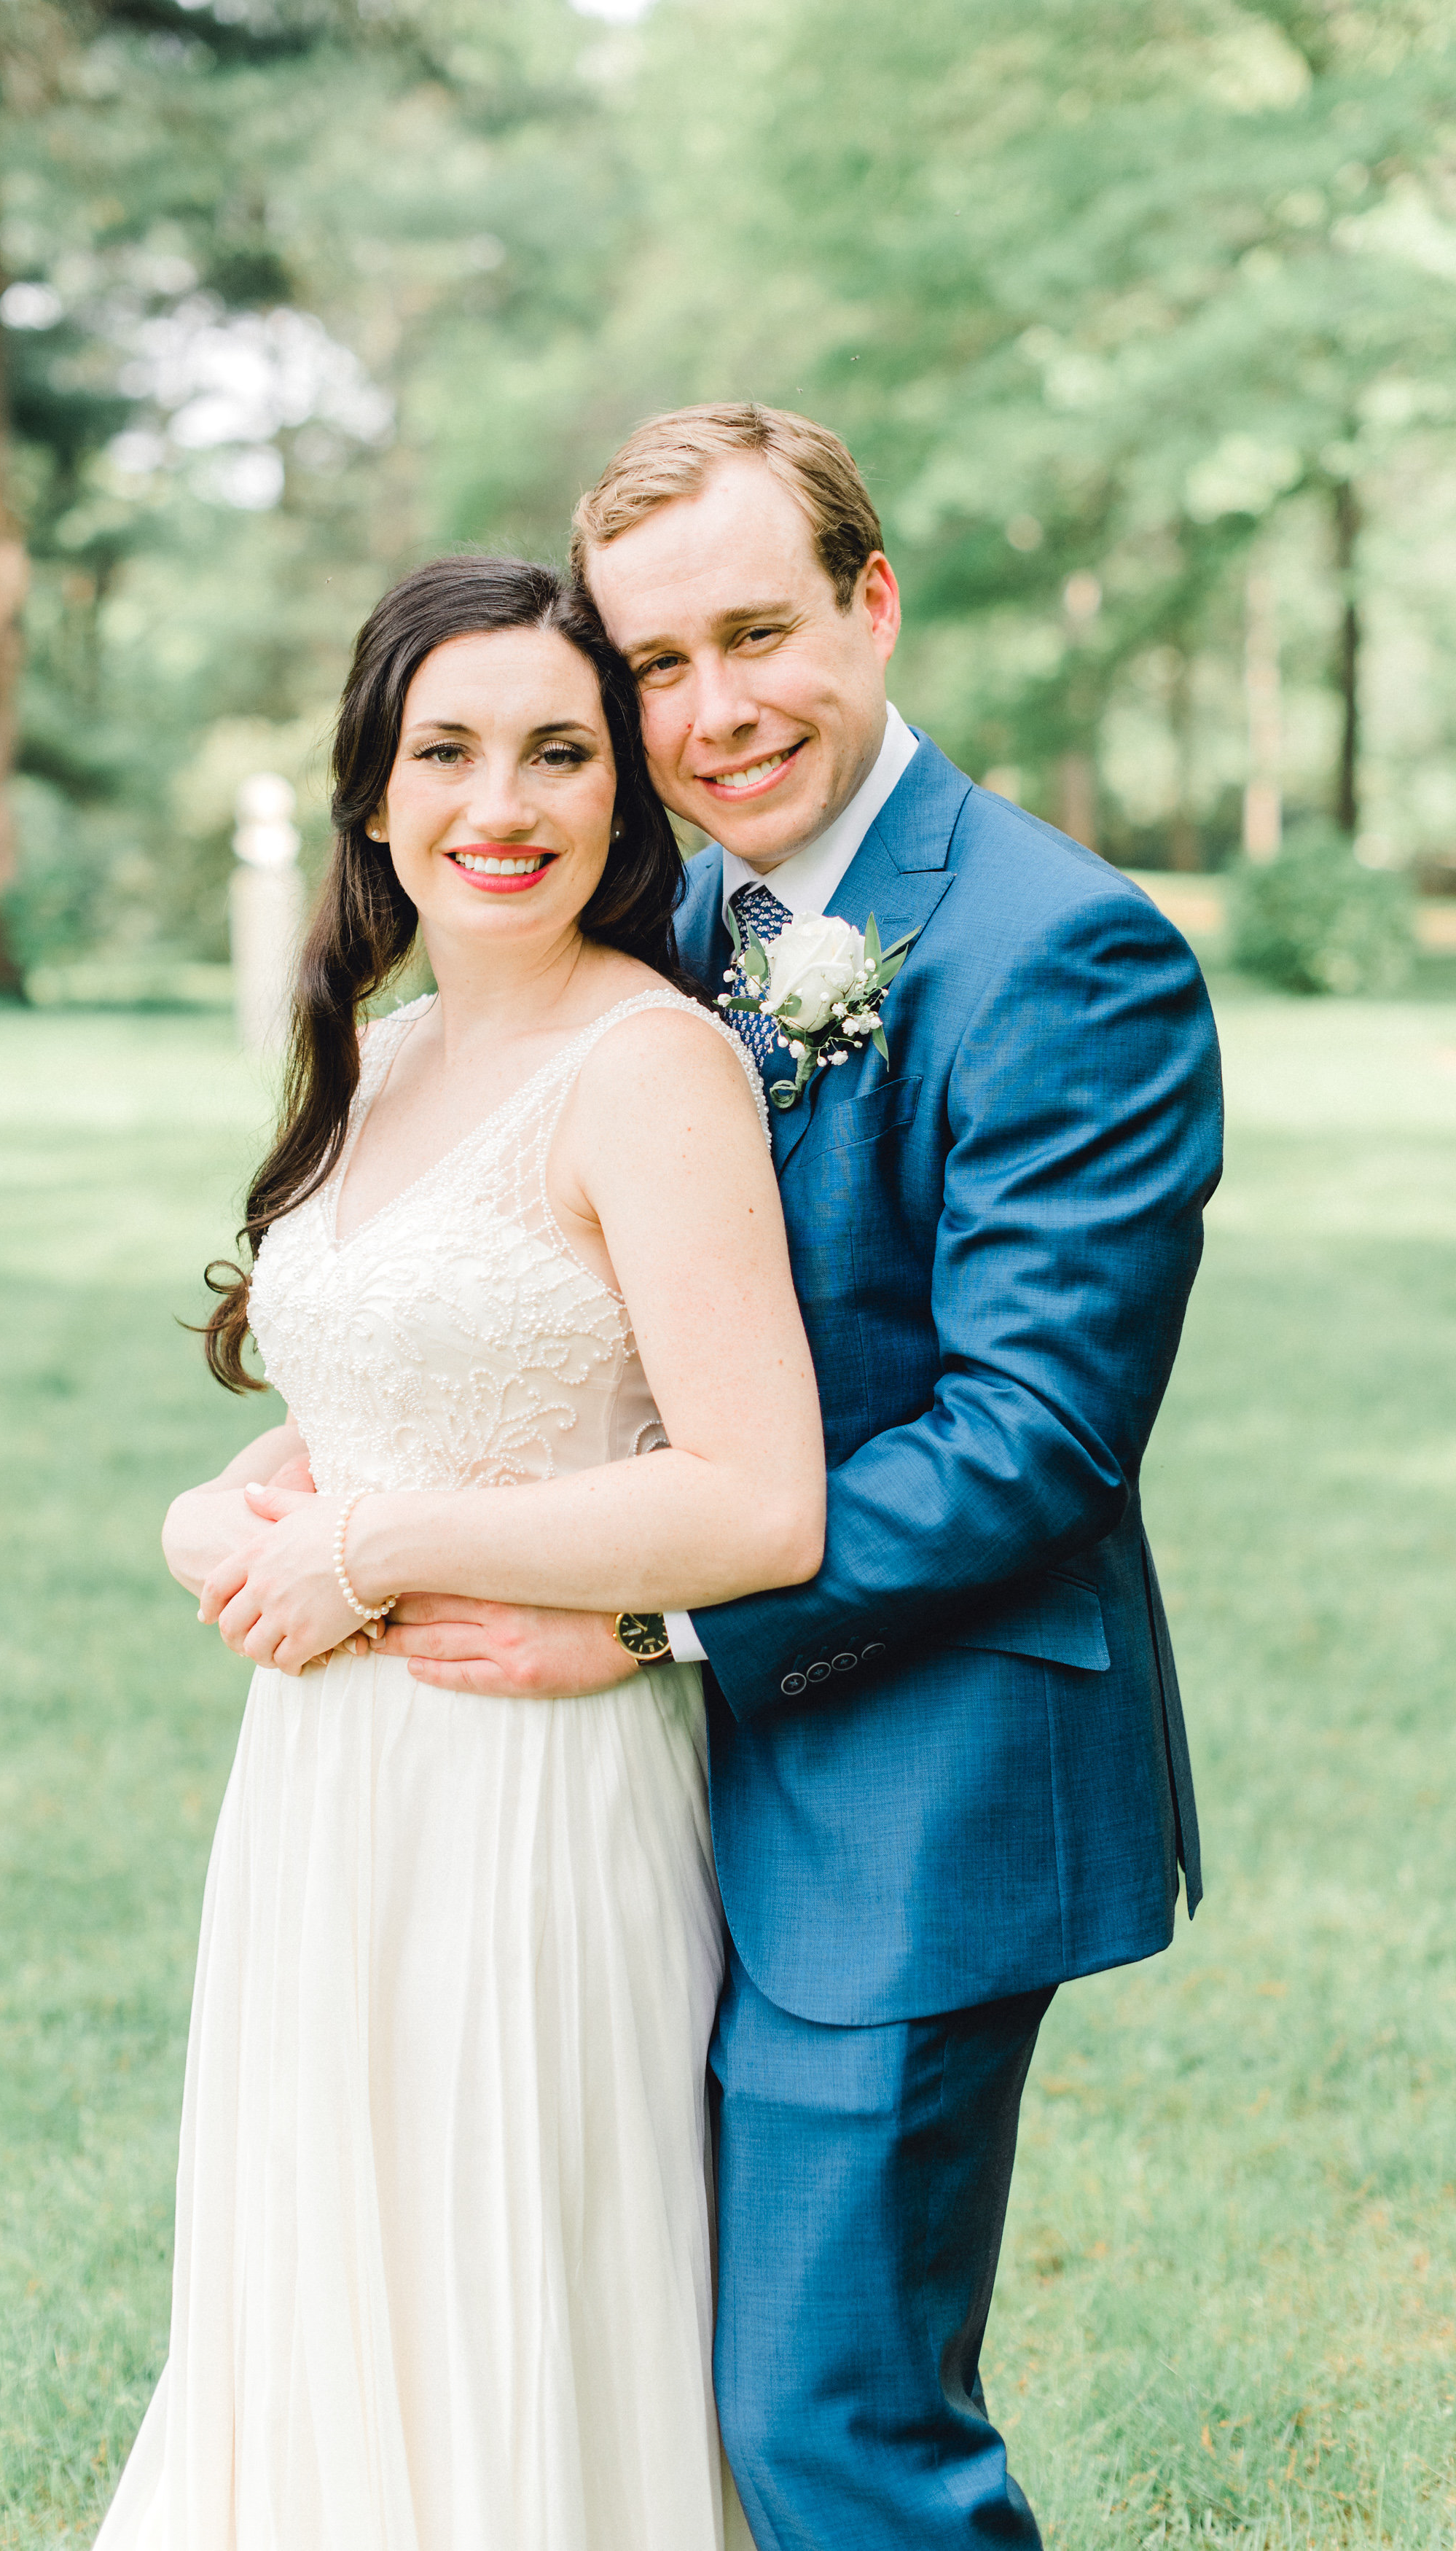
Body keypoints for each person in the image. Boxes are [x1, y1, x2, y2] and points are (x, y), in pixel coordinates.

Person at [378, 405, 1226, 2550]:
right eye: (655, 665)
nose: (712, 712)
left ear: (876, 602)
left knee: (830, 2418)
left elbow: (1036, 1437)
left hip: (915, 1775)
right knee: (621, 2365)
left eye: (757, 634)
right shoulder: (666, 928)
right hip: (629, 1799)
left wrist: (652, 1609)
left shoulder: (1063, 947)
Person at [92, 554, 821, 2550]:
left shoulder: (650, 1065)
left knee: (502, 2295)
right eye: (449, 751)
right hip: (328, 1792)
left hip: (534, 1795)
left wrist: (378, 1544)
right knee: (331, 2283)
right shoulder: (389, 1054)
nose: (503, 804)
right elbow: (381, 1393)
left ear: (621, 791)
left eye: (560, 753)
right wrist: (219, 1508)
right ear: (374, 787)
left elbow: (759, 1496)